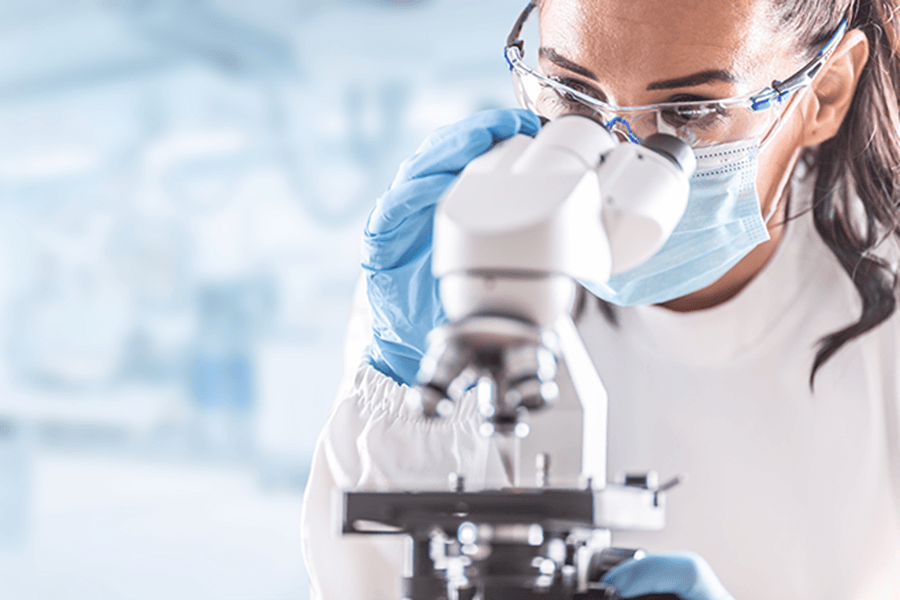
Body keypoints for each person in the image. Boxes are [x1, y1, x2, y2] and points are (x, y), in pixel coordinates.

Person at [301, 0, 900, 598]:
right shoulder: (460, 268)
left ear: (824, 92)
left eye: (688, 110)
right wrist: (402, 386)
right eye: (573, 98)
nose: (619, 157)